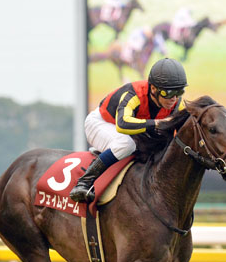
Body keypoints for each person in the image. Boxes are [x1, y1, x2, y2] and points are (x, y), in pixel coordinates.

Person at [70, 58, 187, 203]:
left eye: (179, 91)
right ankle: (84, 183)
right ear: (153, 89)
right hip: (101, 123)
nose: (173, 98)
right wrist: (157, 123)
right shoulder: (134, 94)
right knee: (126, 144)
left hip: (129, 132)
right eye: (168, 92)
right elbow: (122, 124)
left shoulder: (177, 104)